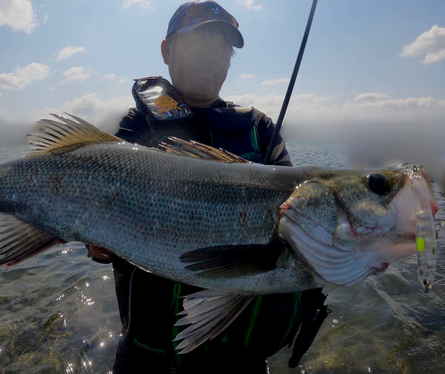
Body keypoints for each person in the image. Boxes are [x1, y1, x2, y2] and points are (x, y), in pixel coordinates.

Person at [88, 1, 327, 373]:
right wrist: (98, 244)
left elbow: (300, 225)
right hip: (148, 355)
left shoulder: (261, 132)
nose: (211, 56)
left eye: (222, 47)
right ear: (167, 51)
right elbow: (99, 241)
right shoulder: (137, 128)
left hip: (239, 361)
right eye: (198, 42)